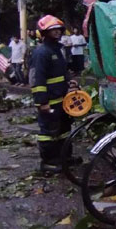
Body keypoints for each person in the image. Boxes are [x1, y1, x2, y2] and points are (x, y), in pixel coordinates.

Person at [30, 15, 79, 173]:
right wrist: (42, 102)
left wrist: (70, 82)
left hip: (62, 100)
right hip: (49, 101)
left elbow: (63, 71)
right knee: (49, 132)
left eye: (58, 29)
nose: (57, 32)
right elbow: (38, 79)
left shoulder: (58, 49)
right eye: (52, 30)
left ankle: (64, 157)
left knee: (64, 129)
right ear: (44, 33)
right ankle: (48, 162)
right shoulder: (41, 52)